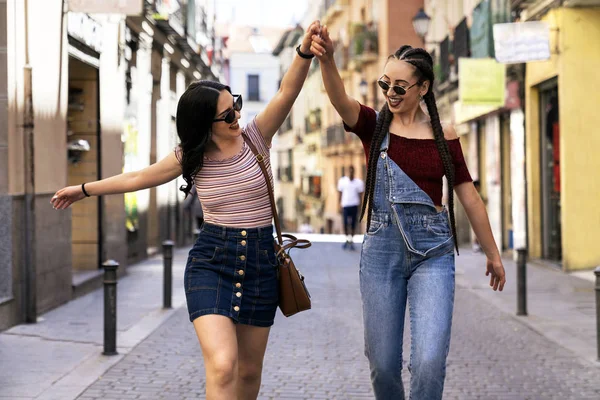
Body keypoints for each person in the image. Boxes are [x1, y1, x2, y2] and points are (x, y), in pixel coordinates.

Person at [51, 21, 322, 400]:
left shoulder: (256, 137)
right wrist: (83, 189)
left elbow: (287, 91)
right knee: (223, 364)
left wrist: (304, 50)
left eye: (236, 106)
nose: (237, 117)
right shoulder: (190, 157)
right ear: (204, 125)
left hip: (261, 263)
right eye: (227, 115)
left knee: (246, 374)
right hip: (212, 261)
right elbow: (138, 178)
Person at [310, 29, 506, 400]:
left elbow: (469, 196)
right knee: (383, 366)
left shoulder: (443, 135)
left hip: (433, 255)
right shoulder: (373, 126)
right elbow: (339, 98)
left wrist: (493, 254)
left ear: (424, 88)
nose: (391, 94)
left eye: (401, 86)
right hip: (381, 255)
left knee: (430, 362)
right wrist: (328, 60)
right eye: (386, 84)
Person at [337, 165, 364, 250]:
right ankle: (346, 240)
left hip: (354, 205)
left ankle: (351, 240)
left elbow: (361, 195)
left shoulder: (358, 182)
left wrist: (361, 207)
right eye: (349, 171)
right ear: (347, 172)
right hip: (345, 205)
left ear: (354, 172)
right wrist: (338, 205)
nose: (351, 172)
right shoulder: (342, 181)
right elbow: (339, 194)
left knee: (353, 224)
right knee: (345, 223)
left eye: (352, 171)